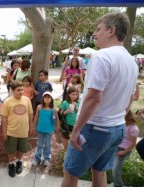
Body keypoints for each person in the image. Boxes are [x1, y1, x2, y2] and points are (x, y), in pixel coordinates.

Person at [61, 12, 138, 187]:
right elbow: (131, 98)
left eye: (98, 29)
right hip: (117, 128)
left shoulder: (102, 56)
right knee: (100, 171)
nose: (94, 34)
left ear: (111, 30)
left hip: (94, 128)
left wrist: (76, 131)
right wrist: (118, 117)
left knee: (70, 172)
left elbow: (94, 97)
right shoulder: (131, 61)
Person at [1, 80, 33, 177]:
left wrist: (31, 127)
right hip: (11, 132)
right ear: (12, 90)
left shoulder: (27, 100)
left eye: (22, 90)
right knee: (11, 150)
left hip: (23, 131)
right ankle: (11, 164)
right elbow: (4, 118)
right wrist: (4, 132)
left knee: (22, 149)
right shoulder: (7, 102)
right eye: (18, 90)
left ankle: (19, 162)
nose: (21, 92)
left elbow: (30, 114)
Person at [112, 110, 139, 187]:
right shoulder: (124, 124)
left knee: (115, 169)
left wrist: (123, 152)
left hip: (124, 150)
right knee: (112, 168)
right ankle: (116, 184)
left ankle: (118, 185)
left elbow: (133, 143)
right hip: (117, 148)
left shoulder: (134, 128)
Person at [32, 91, 59, 167]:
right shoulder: (39, 107)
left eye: (49, 97)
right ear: (42, 99)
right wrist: (34, 126)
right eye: (45, 97)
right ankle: (37, 158)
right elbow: (36, 117)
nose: (47, 99)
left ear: (51, 99)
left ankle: (47, 158)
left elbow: (56, 118)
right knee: (39, 144)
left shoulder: (53, 109)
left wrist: (58, 126)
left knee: (47, 145)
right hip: (40, 129)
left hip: (49, 130)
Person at [60, 87, 80, 151]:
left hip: (75, 123)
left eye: (76, 94)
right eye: (73, 94)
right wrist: (67, 111)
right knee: (66, 137)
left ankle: (75, 151)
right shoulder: (65, 103)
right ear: (69, 94)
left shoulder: (78, 102)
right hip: (66, 123)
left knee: (76, 137)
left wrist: (76, 106)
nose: (75, 96)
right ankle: (66, 151)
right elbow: (61, 113)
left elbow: (79, 112)